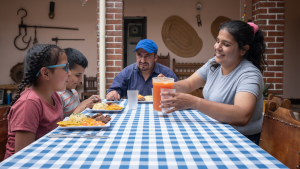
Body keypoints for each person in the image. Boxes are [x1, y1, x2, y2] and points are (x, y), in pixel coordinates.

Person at [160, 21, 266, 145]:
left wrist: (195, 102)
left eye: (225, 44)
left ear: (243, 50)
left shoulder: (249, 74)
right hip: (218, 133)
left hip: (242, 140)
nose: (217, 47)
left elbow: (242, 116)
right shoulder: (214, 64)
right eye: (217, 41)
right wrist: (167, 84)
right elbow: (189, 84)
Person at [4, 44, 69, 159]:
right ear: (46, 73)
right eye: (65, 68)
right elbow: (23, 156)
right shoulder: (29, 103)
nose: (68, 73)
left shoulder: (54, 96)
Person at [106, 39, 178, 100]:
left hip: (159, 113)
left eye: (147, 56)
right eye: (139, 55)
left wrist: (167, 86)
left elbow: (179, 97)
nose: (143, 61)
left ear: (155, 57)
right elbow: (115, 89)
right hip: (133, 113)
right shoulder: (127, 72)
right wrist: (113, 93)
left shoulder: (167, 74)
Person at [57, 48, 101, 117]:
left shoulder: (74, 91)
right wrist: (80, 107)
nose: (80, 79)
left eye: (81, 75)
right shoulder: (58, 95)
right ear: (65, 71)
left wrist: (87, 103)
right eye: (77, 75)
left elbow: (77, 113)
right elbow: (60, 125)